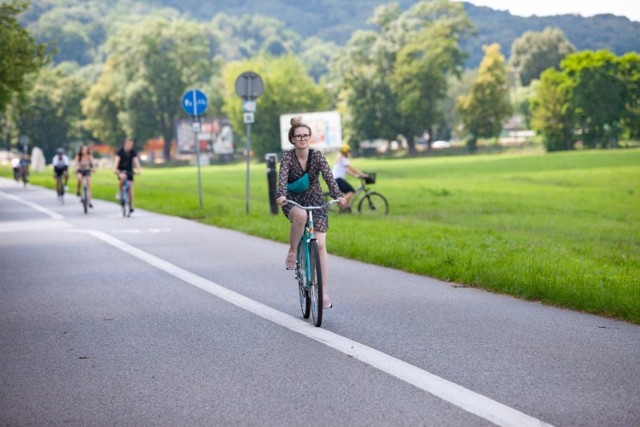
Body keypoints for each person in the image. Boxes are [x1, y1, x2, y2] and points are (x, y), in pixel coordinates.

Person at [275, 117, 347, 309]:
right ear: (292, 139)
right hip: (292, 200)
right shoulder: (288, 157)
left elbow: (330, 179)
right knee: (300, 216)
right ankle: (292, 251)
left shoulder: (318, 156)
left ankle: (323, 293)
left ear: (310, 138)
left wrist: (338, 196)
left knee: (321, 245)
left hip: (315, 200)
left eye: (306, 135)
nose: (302, 139)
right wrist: (281, 195)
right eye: (298, 136)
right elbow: (282, 179)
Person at [331, 144, 369, 209]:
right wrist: (363, 175)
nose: (349, 153)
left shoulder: (340, 158)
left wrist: (356, 176)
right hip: (338, 179)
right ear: (345, 152)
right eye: (348, 151)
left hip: (334, 179)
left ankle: (346, 208)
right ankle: (340, 203)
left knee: (348, 192)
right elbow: (352, 169)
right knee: (351, 191)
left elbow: (347, 171)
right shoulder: (343, 159)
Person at [113, 137, 142, 214]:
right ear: (125, 144)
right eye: (129, 144)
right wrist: (116, 170)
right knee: (123, 178)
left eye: (131, 144)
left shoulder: (133, 152)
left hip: (129, 171)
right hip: (121, 170)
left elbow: (136, 161)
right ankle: (120, 192)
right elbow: (116, 163)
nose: (130, 146)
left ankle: (131, 206)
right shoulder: (120, 152)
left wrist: (139, 169)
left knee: (130, 188)